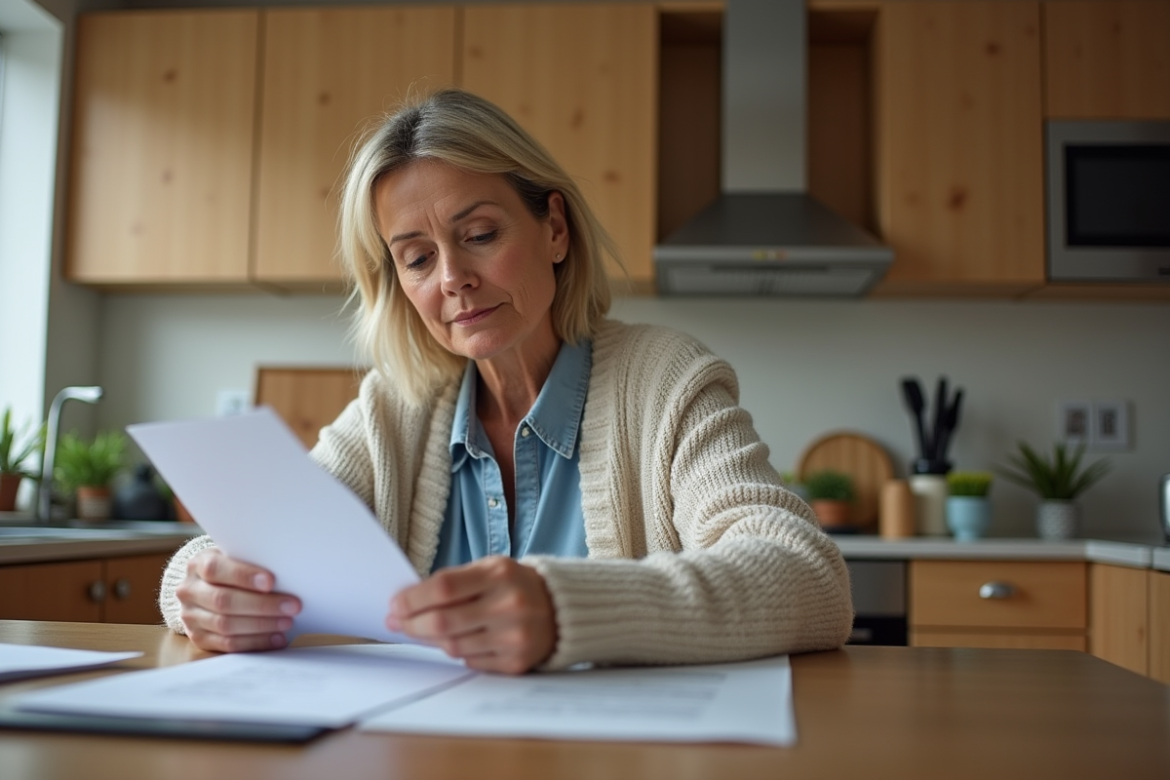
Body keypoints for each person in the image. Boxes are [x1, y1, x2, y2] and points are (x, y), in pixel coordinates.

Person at [158, 88, 853, 674]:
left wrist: (566, 609)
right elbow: (253, 548)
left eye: (481, 234)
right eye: (418, 257)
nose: (452, 277)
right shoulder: (392, 412)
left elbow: (807, 576)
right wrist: (199, 584)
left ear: (554, 229)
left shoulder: (666, 381)